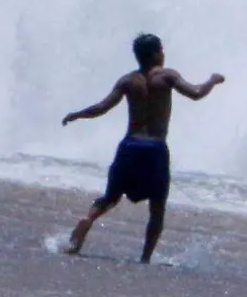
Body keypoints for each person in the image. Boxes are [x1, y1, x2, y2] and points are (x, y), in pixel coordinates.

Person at [60, 33, 225, 263]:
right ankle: (145, 257)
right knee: (157, 206)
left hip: (129, 145)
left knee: (111, 197)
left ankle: (88, 219)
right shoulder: (167, 76)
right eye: (162, 50)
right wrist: (213, 80)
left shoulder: (128, 80)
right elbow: (196, 93)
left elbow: (102, 107)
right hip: (155, 148)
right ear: (157, 53)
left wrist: (77, 115)